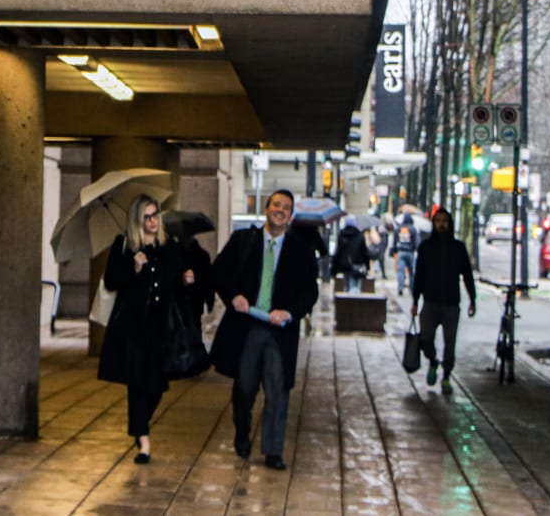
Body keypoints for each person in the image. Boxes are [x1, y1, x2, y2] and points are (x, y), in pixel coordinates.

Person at [209, 188, 320, 471]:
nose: (280, 210)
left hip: (280, 332)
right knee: (244, 388)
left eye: (286, 208)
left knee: (277, 390)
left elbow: (310, 292)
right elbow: (218, 272)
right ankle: (242, 432)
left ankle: (273, 451)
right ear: (267, 209)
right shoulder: (243, 241)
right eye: (276, 205)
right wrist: (233, 296)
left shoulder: (301, 251)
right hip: (247, 327)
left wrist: (290, 312)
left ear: (290, 216)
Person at [97, 195, 193, 465]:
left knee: (157, 385)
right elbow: (112, 280)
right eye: (147, 217)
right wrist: (134, 268)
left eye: (155, 215)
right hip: (133, 327)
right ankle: (144, 441)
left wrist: (187, 280)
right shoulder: (125, 245)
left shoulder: (168, 246)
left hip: (161, 327)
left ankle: (139, 425)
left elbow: (176, 283)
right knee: (138, 383)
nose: (153, 221)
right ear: (138, 220)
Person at [410, 207, 477, 394]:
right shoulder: (426, 248)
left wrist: (472, 298)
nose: (441, 225)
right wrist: (415, 300)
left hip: (451, 304)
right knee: (425, 338)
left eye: (444, 221)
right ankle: (433, 361)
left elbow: (467, 275)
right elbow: (419, 275)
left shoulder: (458, 248)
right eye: (438, 221)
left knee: (450, 343)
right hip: (430, 301)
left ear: (450, 224)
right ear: (434, 224)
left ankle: (446, 375)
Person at [333, 216, 368, 292]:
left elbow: (338, 252)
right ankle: (354, 297)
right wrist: (367, 266)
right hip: (357, 264)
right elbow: (364, 252)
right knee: (356, 286)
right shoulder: (359, 235)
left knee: (346, 285)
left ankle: (348, 295)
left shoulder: (341, 235)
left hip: (345, 265)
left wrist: (334, 270)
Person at [391, 213, 420, 295]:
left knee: (401, 271)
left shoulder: (398, 228)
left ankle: (400, 288)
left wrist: (394, 251)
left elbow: (394, 241)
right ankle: (412, 288)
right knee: (412, 272)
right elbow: (416, 242)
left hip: (400, 252)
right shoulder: (413, 229)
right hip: (410, 252)